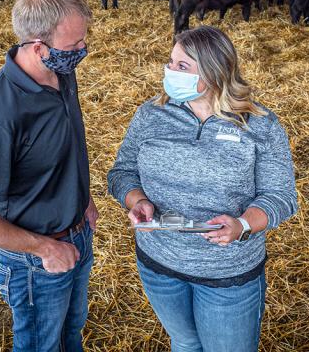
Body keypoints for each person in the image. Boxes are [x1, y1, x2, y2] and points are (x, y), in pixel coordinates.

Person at [107, 25, 298, 352]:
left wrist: (243, 224)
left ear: (213, 72)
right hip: (159, 264)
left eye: (182, 66)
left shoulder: (259, 124)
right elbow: (122, 172)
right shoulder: (152, 114)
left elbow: (281, 197)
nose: (169, 71)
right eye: (170, 62)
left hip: (226, 274)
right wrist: (136, 200)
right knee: (184, 343)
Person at [0, 0, 97, 352]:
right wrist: (44, 249)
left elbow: (66, 145)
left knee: (70, 334)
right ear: (37, 46)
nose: (82, 50)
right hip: (35, 260)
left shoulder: (60, 70)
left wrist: (82, 198)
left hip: (76, 232)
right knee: (40, 346)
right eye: (73, 44)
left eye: (83, 40)